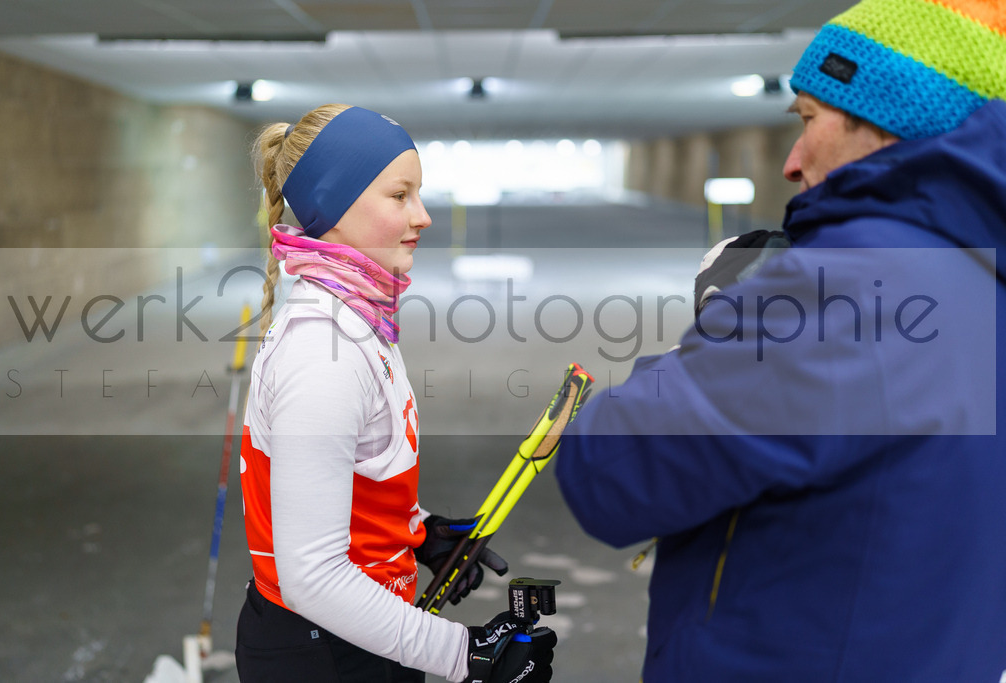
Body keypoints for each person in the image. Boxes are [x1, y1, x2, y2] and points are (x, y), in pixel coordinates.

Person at [556, 0, 1006, 681]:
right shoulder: (981, 271)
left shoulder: (851, 285)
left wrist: (714, 334)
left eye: (809, 119)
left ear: (888, 122)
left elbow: (612, 473)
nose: (793, 161)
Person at [236, 103, 556, 683]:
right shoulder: (322, 353)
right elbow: (312, 574)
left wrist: (419, 532)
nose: (423, 215)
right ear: (335, 202)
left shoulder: (357, 318)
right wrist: (466, 654)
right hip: (322, 653)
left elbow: (344, 482)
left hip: (360, 632)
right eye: (400, 195)